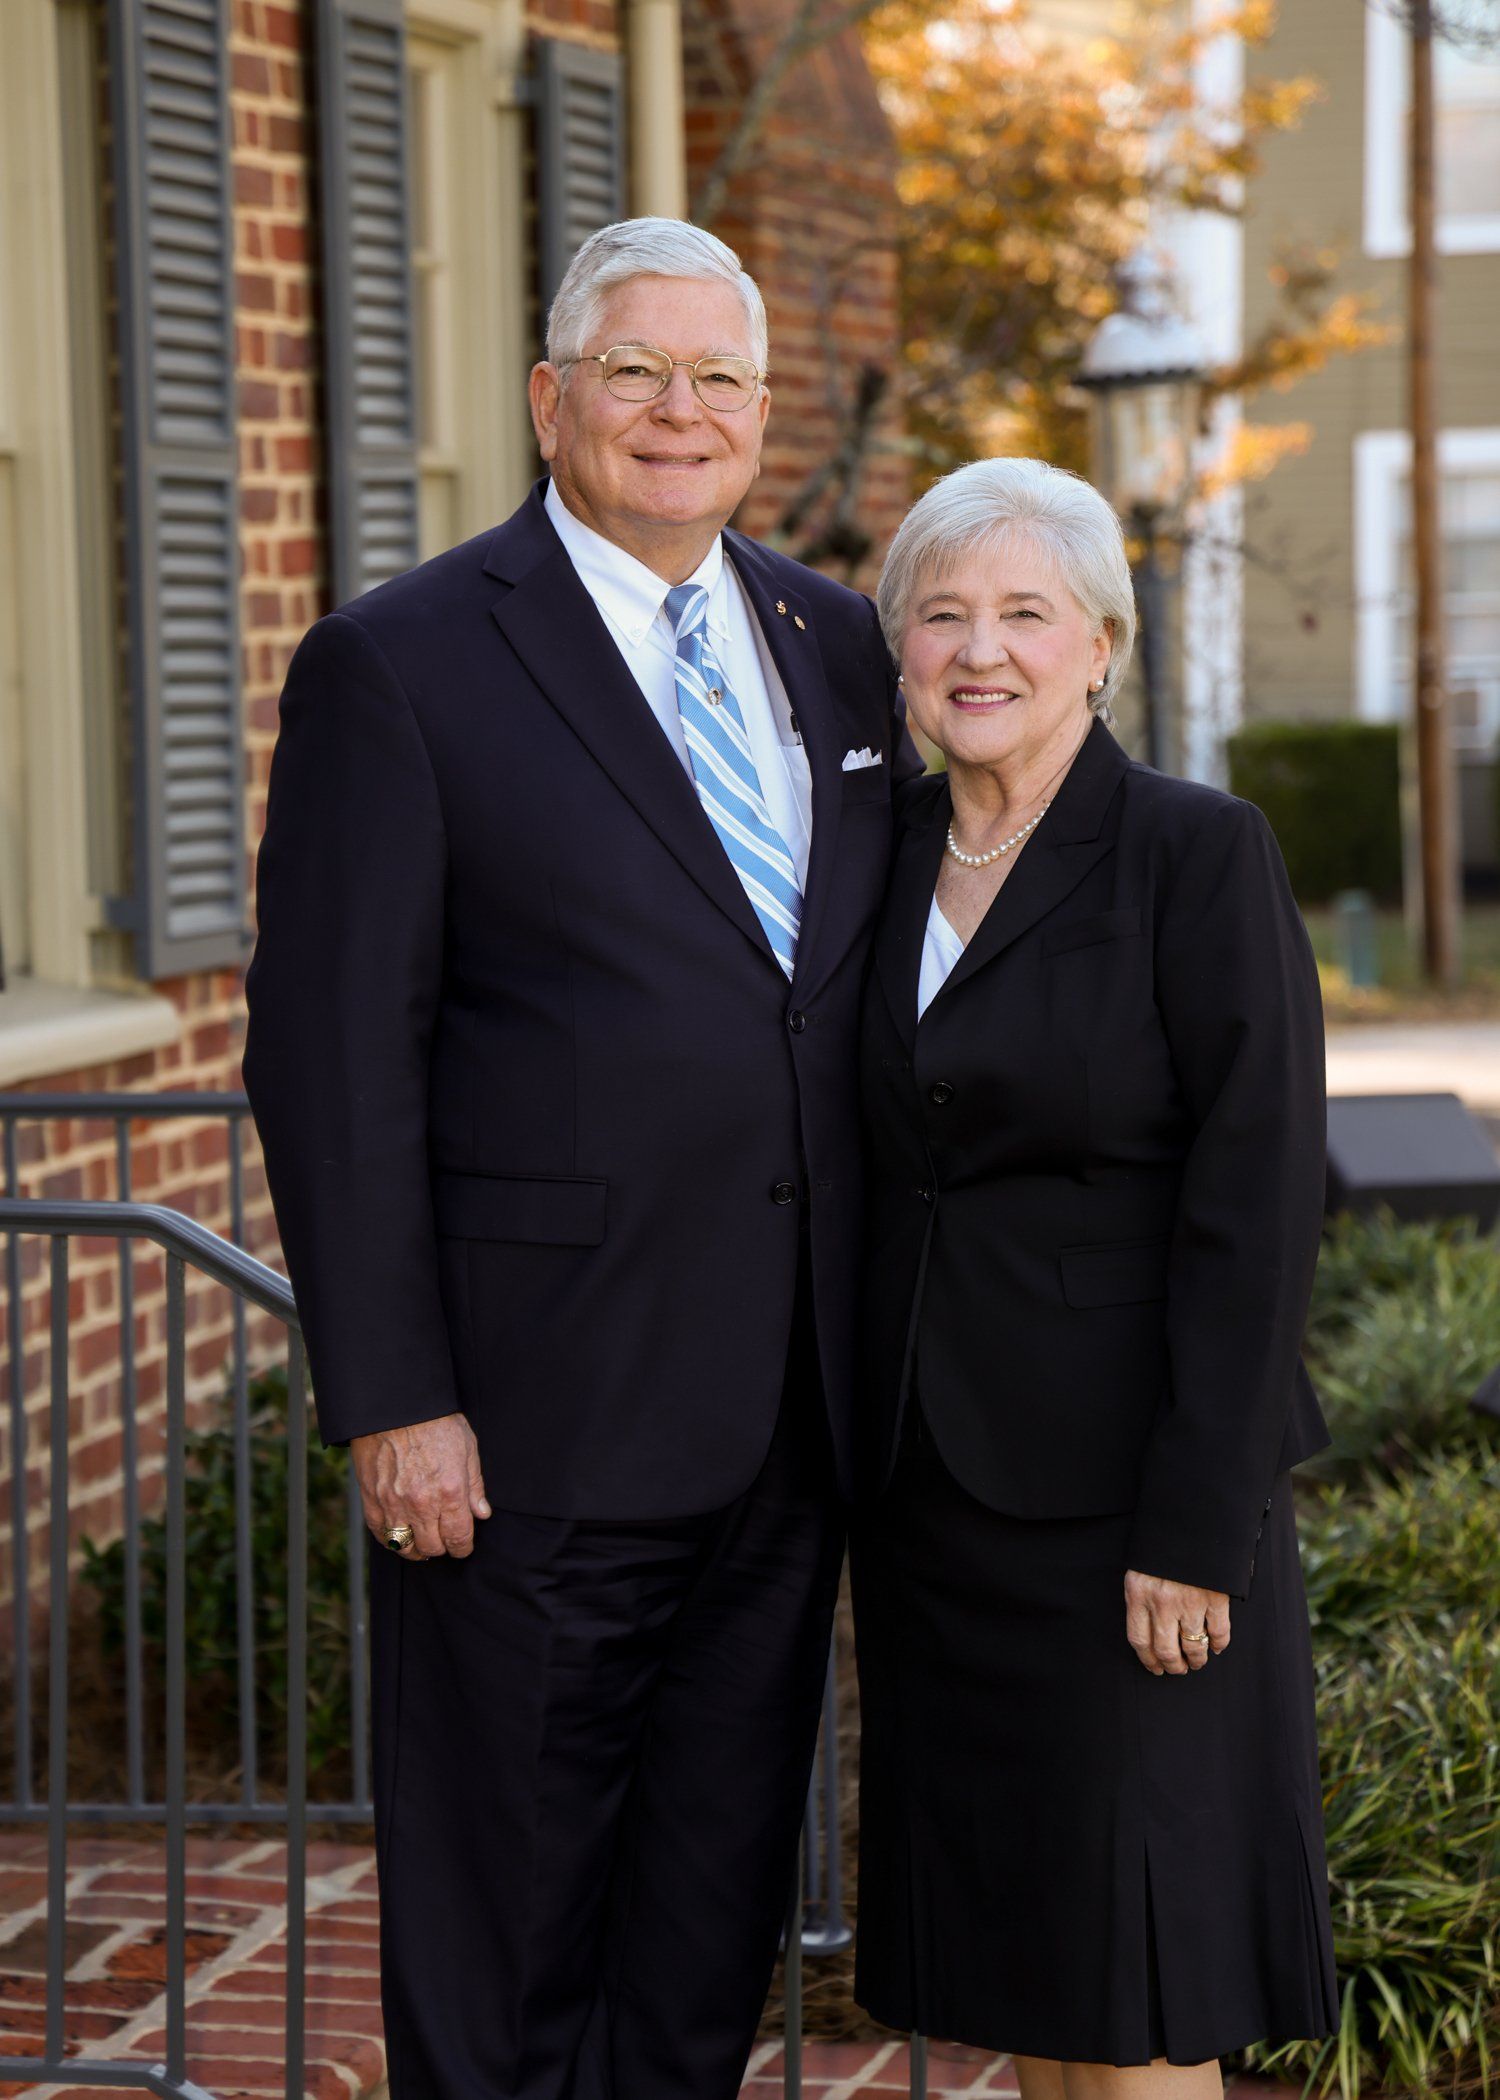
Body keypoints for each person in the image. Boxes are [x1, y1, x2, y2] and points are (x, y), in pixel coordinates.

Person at [243, 216, 918, 2100]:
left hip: (787, 1420)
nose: (678, 412)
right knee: (509, 1934)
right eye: (636, 371)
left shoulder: (841, 649)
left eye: (718, 378)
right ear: (553, 401)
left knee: (702, 1930)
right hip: (529, 1431)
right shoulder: (404, 663)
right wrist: (396, 1399)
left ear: (764, 416)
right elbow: (330, 1061)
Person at [851, 456, 1339, 2100]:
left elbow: (1257, 1204)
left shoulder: (1195, 854)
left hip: (1129, 1517)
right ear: (900, 650)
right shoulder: (875, 853)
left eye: (1024, 614)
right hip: (933, 1504)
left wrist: (1194, 1530)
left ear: (1103, 645)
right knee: (1030, 1984)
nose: (980, 651)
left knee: (1138, 1993)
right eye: (942, 614)